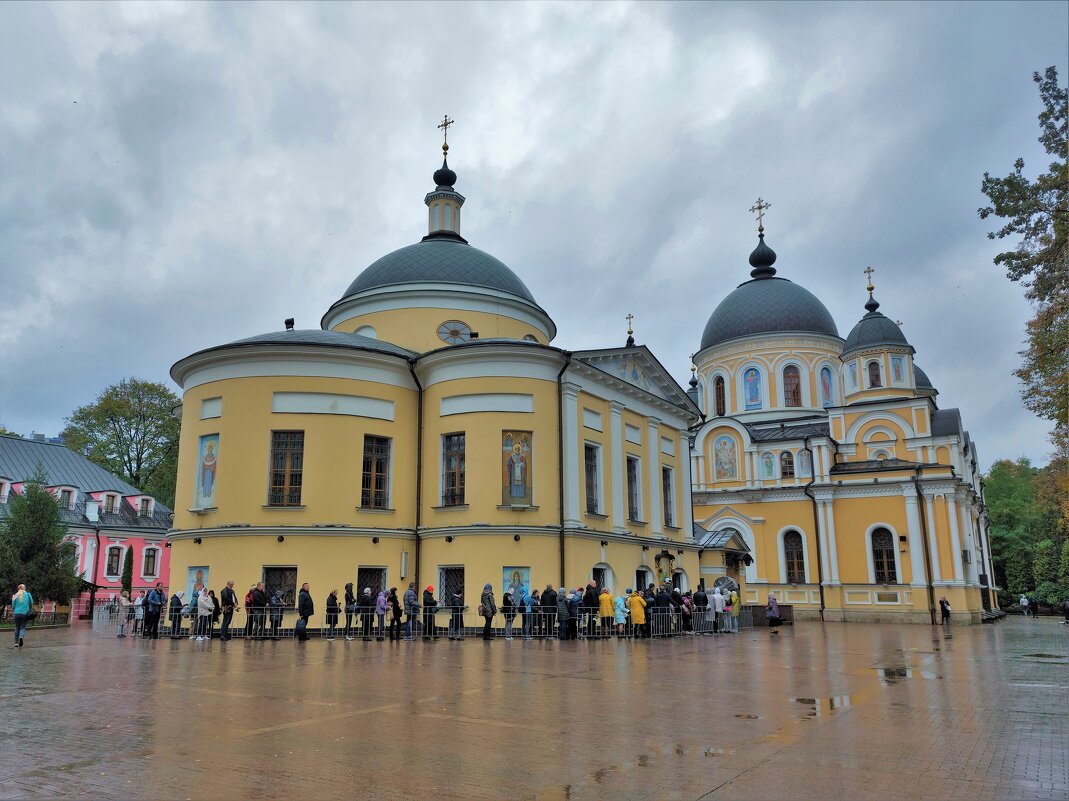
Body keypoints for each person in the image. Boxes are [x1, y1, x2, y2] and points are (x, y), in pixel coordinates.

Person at [10, 584, 34, 648]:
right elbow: (31, 603)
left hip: (16, 614)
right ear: (24, 588)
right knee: (22, 627)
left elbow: (13, 606)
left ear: (18, 589)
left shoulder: (14, 595)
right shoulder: (28, 594)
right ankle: (21, 637)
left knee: (17, 627)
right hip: (25, 614)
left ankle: (16, 643)